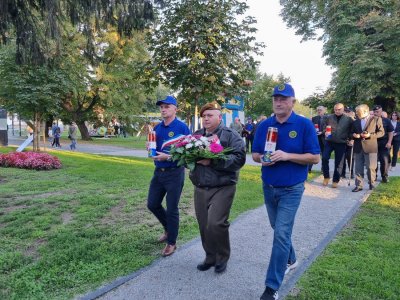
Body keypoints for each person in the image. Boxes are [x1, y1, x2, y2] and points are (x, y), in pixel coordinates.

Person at [252, 83, 320, 300]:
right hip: (269, 186)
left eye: (283, 99)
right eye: (276, 99)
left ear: (293, 102)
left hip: (292, 189)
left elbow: (315, 157)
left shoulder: (304, 125)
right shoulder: (264, 125)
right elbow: (255, 154)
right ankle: (291, 259)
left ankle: (271, 288)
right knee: (277, 228)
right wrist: (264, 159)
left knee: (281, 233)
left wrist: (287, 156)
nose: (279, 102)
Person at [189, 102, 246, 274]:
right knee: (204, 224)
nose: (206, 118)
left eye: (210, 115)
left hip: (223, 186)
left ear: (219, 117)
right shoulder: (196, 135)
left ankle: (222, 257)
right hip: (201, 186)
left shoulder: (230, 135)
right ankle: (210, 257)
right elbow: (189, 157)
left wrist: (213, 160)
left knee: (216, 223)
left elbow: (239, 160)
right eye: (204, 116)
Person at [146, 95, 190, 257]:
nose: (163, 109)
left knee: (172, 209)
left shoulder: (182, 128)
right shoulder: (157, 128)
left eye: (167, 106)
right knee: (152, 204)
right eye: (161, 107)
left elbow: (188, 154)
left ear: (175, 109)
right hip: (159, 172)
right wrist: (149, 146)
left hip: (174, 173)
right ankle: (168, 229)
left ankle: (171, 242)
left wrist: (169, 157)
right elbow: (154, 149)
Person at [351, 104, 384, 192]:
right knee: (358, 167)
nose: (357, 114)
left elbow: (381, 133)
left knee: (371, 167)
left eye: (359, 112)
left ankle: (372, 184)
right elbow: (351, 133)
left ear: (365, 111)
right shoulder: (355, 121)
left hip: (371, 147)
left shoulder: (376, 119)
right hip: (358, 147)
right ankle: (358, 185)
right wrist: (354, 135)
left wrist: (370, 135)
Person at [321, 103, 353, 188]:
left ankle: (335, 180)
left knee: (339, 163)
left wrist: (350, 139)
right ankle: (326, 177)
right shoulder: (329, 117)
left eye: (339, 109)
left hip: (341, 142)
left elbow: (351, 130)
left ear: (343, 109)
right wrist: (325, 131)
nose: (337, 111)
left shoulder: (348, 119)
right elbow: (324, 127)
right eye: (335, 109)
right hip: (329, 141)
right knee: (324, 158)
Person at [373, 106, 394, 183]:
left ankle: (384, 176)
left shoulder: (386, 121)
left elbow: (390, 132)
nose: (376, 113)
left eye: (377, 111)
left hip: (383, 142)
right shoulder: (370, 120)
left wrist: (389, 142)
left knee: (384, 160)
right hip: (373, 142)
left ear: (381, 112)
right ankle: (373, 176)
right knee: (373, 160)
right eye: (375, 111)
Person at [308, 106, 326, 172]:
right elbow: (311, 127)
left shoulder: (328, 118)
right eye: (318, 110)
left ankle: (323, 169)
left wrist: (322, 132)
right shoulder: (314, 118)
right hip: (316, 138)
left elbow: (329, 128)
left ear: (324, 110)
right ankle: (309, 169)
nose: (319, 111)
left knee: (324, 155)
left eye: (320, 110)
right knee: (313, 153)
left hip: (324, 139)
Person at [341, 107, 356, 179]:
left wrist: (352, 140)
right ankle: (342, 173)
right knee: (342, 158)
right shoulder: (341, 121)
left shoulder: (353, 121)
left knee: (350, 158)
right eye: (345, 112)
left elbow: (354, 131)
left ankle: (351, 172)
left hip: (350, 141)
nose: (346, 113)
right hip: (342, 141)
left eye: (347, 112)